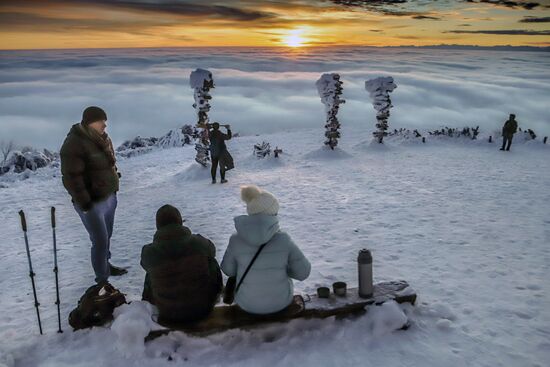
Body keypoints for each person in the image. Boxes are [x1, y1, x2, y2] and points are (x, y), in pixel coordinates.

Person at [60, 106, 126, 284]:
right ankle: (102, 280)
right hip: (92, 203)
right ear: (90, 123)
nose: (105, 125)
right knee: (100, 241)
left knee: (107, 235)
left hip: (109, 197)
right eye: (101, 121)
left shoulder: (103, 138)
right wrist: (86, 204)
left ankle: (106, 265)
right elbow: (71, 178)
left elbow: (110, 163)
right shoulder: (74, 143)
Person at [221, 185, 311, 315]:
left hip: (247, 303)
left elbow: (228, 270)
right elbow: (303, 272)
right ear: (272, 214)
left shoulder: (235, 240)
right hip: (280, 302)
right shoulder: (284, 240)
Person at [141, 205, 222, 323]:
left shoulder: (149, 251)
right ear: (180, 221)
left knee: (151, 271)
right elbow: (212, 251)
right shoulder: (198, 242)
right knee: (210, 261)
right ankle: (214, 294)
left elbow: (144, 265)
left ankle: (149, 306)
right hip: (203, 308)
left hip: (167, 312)